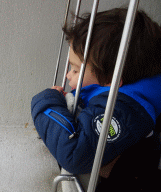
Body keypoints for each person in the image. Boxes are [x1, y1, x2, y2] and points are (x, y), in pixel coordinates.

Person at [31, 8, 161, 191]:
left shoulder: (122, 108)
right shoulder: (126, 92)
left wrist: (45, 102)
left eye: (76, 70)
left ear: (111, 79)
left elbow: (74, 154)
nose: (68, 75)